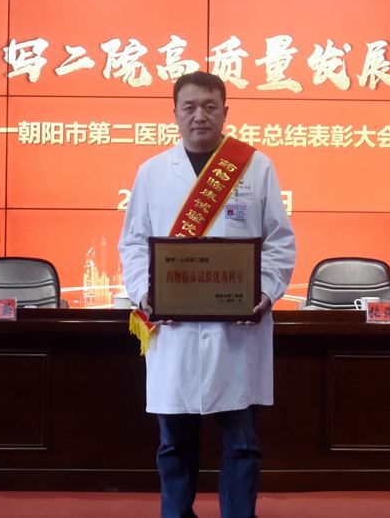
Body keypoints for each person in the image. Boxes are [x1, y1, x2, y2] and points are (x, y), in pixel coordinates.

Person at [118, 71, 296, 518]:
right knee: (174, 444)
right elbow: (134, 242)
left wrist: (264, 291)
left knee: (241, 444)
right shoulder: (152, 172)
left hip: (236, 331)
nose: (200, 115)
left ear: (225, 112)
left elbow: (279, 240)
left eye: (209, 106)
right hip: (174, 329)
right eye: (190, 107)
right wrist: (145, 291)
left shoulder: (255, 166)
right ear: (175, 114)